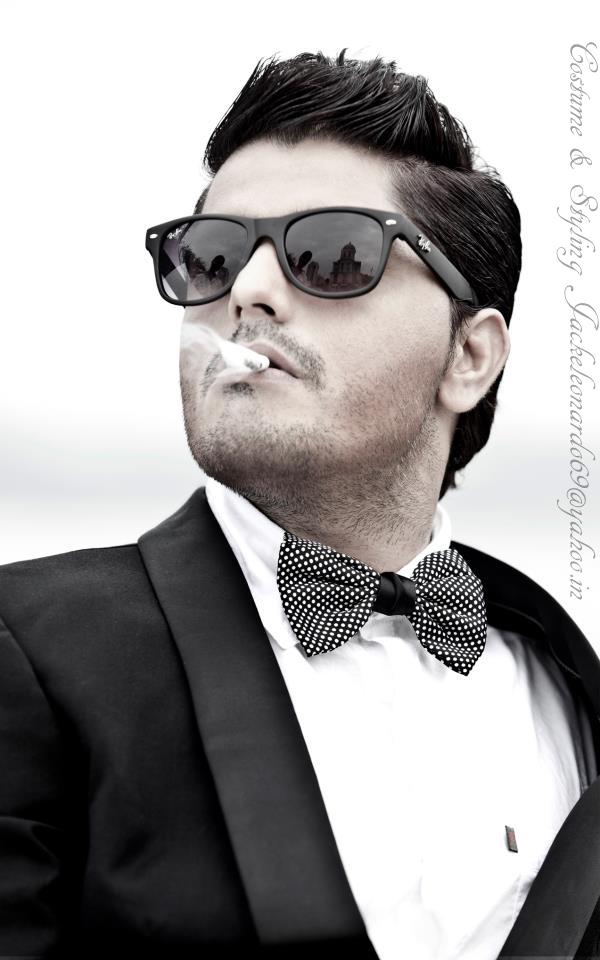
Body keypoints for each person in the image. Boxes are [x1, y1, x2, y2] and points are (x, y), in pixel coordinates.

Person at [1, 49, 599, 960]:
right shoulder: (29, 648)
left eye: (332, 253)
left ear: (469, 356)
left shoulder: (567, 684)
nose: (247, 292)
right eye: (212, 257)